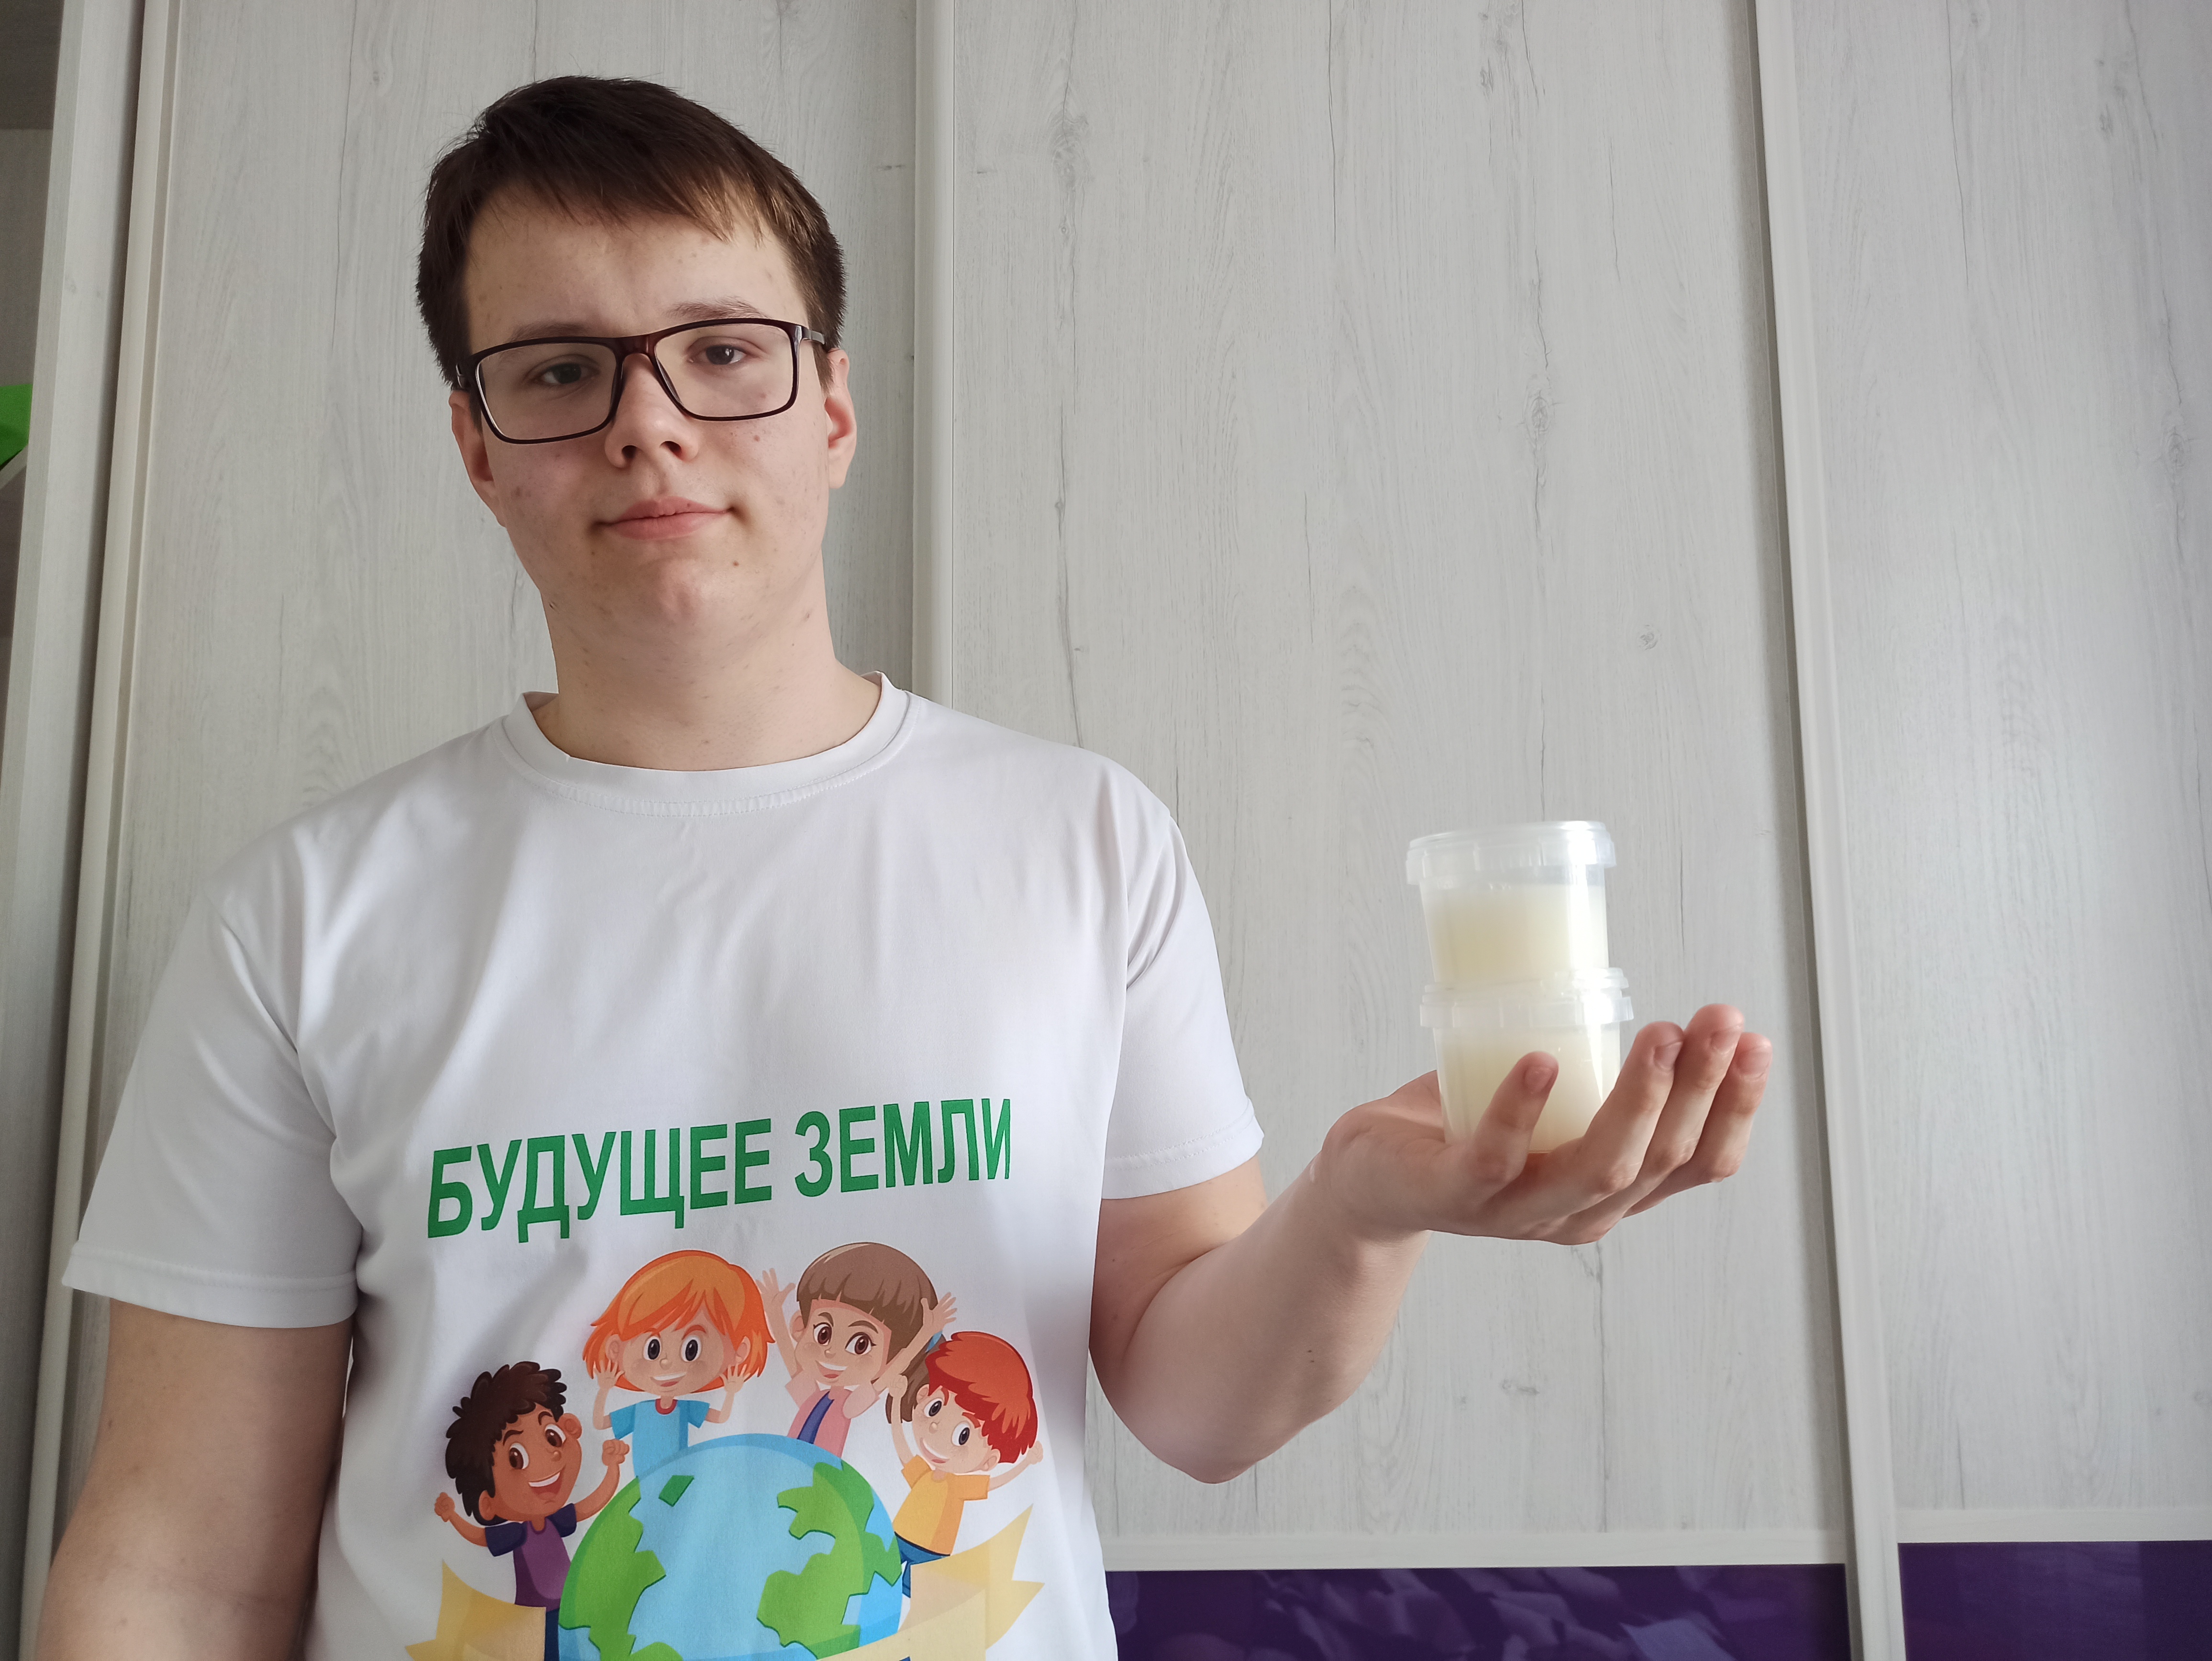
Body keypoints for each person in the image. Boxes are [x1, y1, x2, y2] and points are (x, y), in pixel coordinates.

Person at [36, 75, 1769, 1661]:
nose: (650, 424)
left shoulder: (1078, 841)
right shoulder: (302, 917)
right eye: (560, 371)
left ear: (833, 408)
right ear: (478, 446)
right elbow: (178, 1568)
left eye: (723, 351)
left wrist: (1355, 1210)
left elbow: (1203, 1406)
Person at [431, 1362, 628, 1652]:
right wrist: (452, 1517)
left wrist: (613, 1469)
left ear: (569, 1427)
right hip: (536, 1616)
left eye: (551, 1436)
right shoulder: (517, 1534)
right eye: (516, 1458)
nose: (550, 1454)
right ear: (488, 1504)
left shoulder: (557, 1521)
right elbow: (481, 1536)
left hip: (572, 1603)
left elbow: (592, 1504)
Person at [581, 1249, 770, 1474]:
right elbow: (600, 1423)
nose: (666, 1363)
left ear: (739, 1351)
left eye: (691, 1350)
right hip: (643, 1480)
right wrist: (604, 1389)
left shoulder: (684, 1409)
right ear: (615, 1349)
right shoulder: (640, 1411)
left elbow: (721, 1418)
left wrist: (731, 1392)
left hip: (677, 1477)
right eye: (653, 1349)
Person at [885, 1330, 1045, 1595]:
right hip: (900, 1537)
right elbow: (903, 1448)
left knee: (916, 1598)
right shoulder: (924, 1475)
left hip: (932, 1552)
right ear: (924, 1395)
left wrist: (1025, 1464)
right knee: (882, 1583)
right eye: (936, 1407)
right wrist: (898, 1401)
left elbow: (993, 1483)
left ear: (989, 1461)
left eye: (963, 1434)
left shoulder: (957, 1488)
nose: (935, 1427)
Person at [760, 1240, 953, 1455]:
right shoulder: (814, 1398)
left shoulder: (848, 1406)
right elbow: (792, 1362)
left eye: (861, 1345)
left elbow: (891, 1373)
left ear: (890, 1358)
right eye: (823, 1334)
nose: (831, 1353)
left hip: (822, 1473)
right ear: (800, 1328)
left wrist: (924, 1335)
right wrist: (774, 1313)